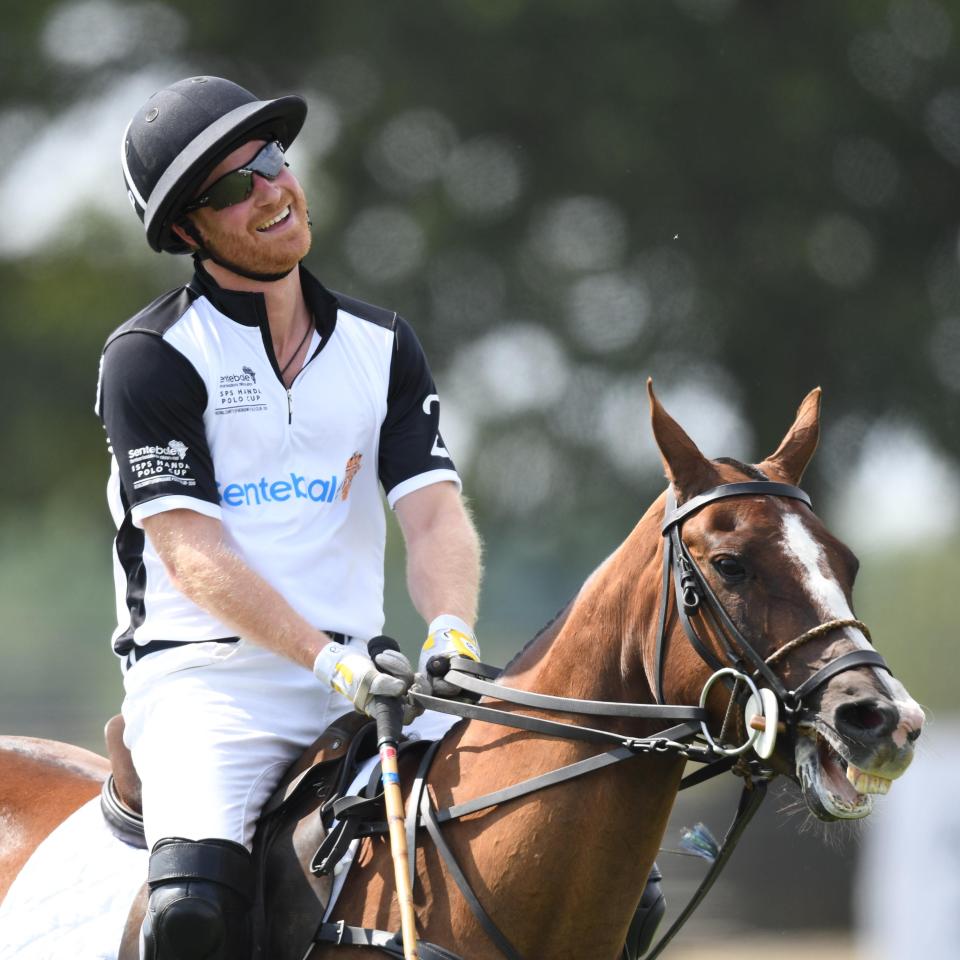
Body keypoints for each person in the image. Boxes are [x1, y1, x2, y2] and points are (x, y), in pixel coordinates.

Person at [96, 75, 482, 960]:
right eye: (234, 187)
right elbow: (191, 552)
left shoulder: (384, 345)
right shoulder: (151, 358)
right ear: (188, 231)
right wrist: (320, 658)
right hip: (209, 683)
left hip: (375, 674)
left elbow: (431, 515)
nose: (270, 190)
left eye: (270, 161)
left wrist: (451, 629)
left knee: (592, 849)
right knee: (191, 916)